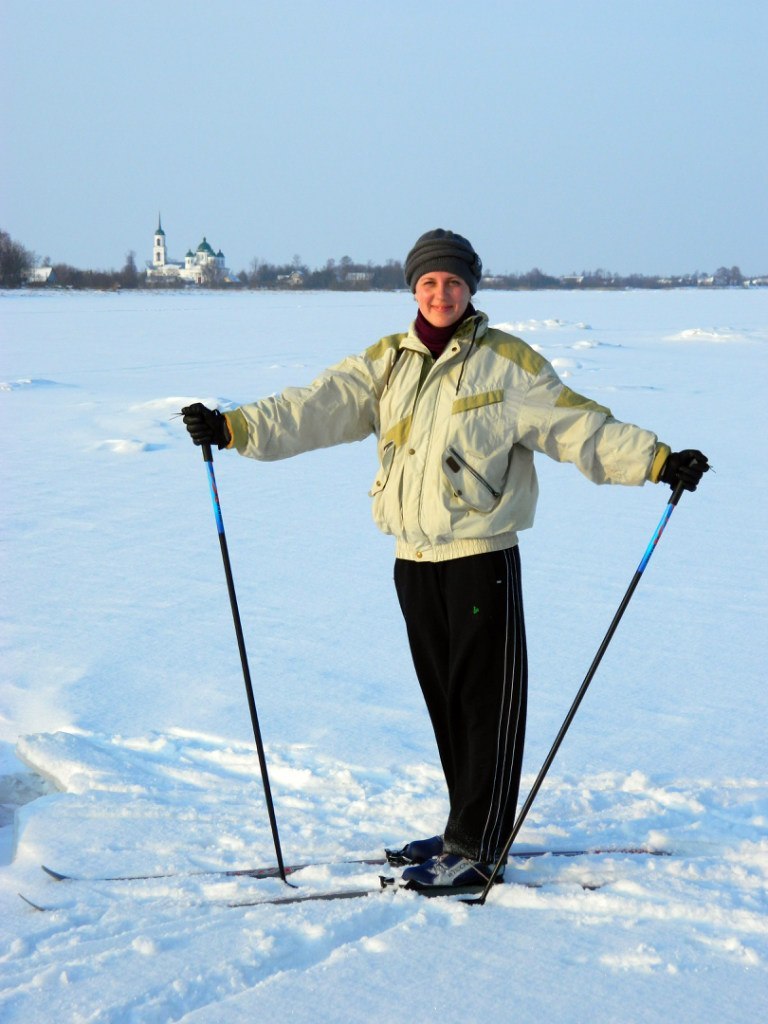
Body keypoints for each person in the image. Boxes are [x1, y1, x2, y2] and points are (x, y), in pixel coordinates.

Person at [182, 228, 708, 890]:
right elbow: (316, 407)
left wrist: (657, 460)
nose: (440, 293)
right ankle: (464, 825)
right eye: (429, 282)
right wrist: (235, 428)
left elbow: (580, 427)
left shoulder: (506, 362)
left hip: (480, 558)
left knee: (486, 704)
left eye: (453, 282)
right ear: (414, 289)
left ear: (470, 288)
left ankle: (480, 848)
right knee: (449, 703)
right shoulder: (388, 362)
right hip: (413, 560)